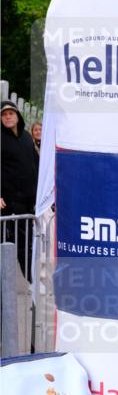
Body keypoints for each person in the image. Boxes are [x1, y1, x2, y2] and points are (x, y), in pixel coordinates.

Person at [1, 100, 39, 280]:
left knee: (27, 244)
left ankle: (30, 280)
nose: (8, 117)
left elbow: (35, 165)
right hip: (7, 204)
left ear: (17, 115)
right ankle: (6, 288)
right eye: (4, 114)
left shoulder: (26, 137)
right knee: (8, 245)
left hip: (27, 202)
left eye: (11, 113)